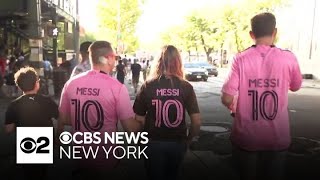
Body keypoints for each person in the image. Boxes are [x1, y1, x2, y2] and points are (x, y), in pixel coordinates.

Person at [221, 12, 302, 180]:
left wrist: (235, 106)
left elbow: (227, 98)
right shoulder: (289, 58)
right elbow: (296, 86)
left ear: (252, 34)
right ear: (275, 32)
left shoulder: (240, 59)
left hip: (246, 137)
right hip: (278, 137)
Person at [57, 41, 140, 179]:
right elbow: (130, 129)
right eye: (114, 56)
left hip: (80, 156)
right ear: (108, 58)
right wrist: (144, 122)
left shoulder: (71, 83)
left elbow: (64, 119)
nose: (115, 59)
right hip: (107, 158)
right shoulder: (117, 87)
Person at [133, 45, 201, 180]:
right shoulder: (186, 86)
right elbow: (196, 121)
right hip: (178, 142)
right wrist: (189, 139)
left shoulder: (148, 85)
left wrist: (140, 141)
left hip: (153, 142)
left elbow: (139, 119)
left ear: (158, 62)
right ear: (178, 62)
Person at [4, 67, 59, 180]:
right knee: (43, 171)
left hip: (25, 142)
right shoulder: (47, 101)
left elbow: (8, 129)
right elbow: (60, 118)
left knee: (28, 172)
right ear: (36, 84)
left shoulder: (14, 104)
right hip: (45, 141)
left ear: (19, 86)